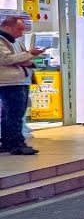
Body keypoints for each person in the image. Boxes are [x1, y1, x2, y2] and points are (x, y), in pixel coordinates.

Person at [0, 15, 44, 155]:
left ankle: (8, 142)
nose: (21, 33)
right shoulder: (1, 41)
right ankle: (16, 143)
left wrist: (27, 57)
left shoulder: (16, 41)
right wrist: (29, 54)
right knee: (14, 113)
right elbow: (6, 59)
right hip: (9, 82)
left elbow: (22, 57)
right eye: (19, 29)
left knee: (14, 113)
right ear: (7, 27)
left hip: (21, 80)